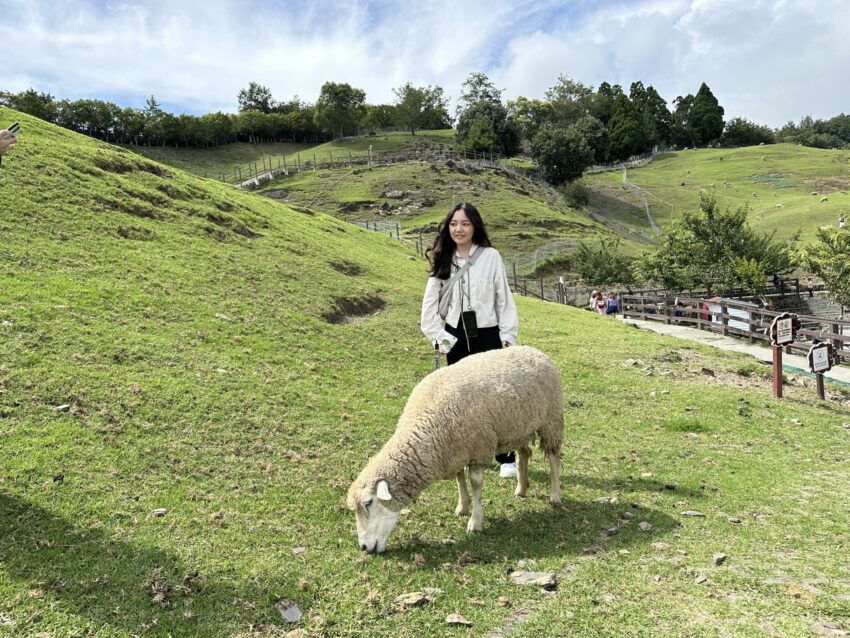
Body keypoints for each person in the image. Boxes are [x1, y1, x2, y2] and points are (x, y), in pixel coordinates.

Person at [421, 203, 519, 478]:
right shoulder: (444, 257)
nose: (458, 229)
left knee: (495, 395)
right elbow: (430, 301)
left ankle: (506, 456)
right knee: (460, 396)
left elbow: (504, 297)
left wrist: (508, 336)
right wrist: (436, 336)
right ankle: (466, 453)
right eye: (453, 224)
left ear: (475, 226)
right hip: (455, 334)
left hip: (487, 332)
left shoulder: (490, 257)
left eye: (464, 223)